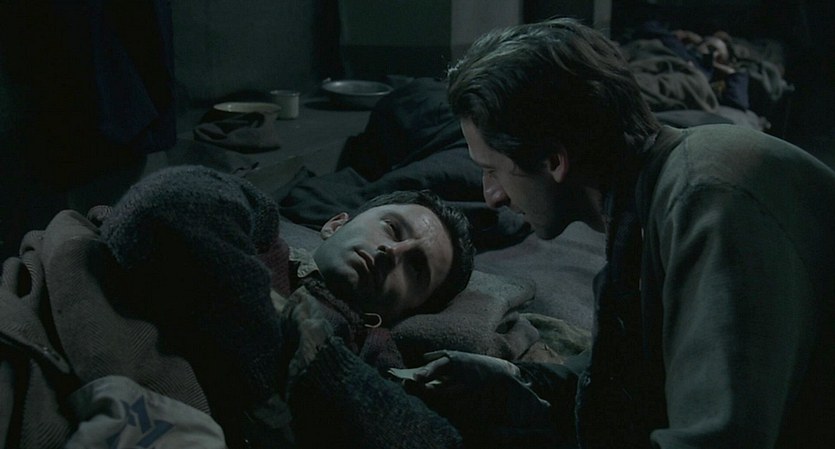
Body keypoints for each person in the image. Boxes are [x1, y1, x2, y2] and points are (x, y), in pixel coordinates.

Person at [409, 17, 835, 449]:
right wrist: (518, 382)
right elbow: (634, 371)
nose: (492, 197)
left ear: (554, 161)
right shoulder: (648, 206)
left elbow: (715, 439)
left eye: (492, 170)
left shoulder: (707, 200)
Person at [0, 165, 475, 449]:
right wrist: (290, 345)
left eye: (416, 269)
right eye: (391, 229)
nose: (392, 252)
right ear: (334, 224)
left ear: (404, 312)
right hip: (46, 335)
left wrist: (321, 363)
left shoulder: (368, 355)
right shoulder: (259, 237)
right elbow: (165, 205)